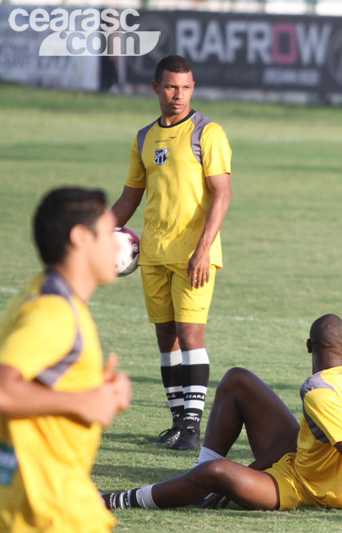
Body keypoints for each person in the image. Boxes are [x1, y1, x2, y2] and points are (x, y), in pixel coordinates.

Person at [102, 315, 342, 520]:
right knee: (237, 380)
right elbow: (298, 439)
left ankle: (122, 499)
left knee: (217, 472)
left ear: (308, 346)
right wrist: (249, 471)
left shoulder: (318, 392)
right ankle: (198, 479)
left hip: (307, 489)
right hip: (300, 465)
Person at [111, 55, 232, 449]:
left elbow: (222, 195)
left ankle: (193, 428)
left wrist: (203, 249)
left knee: (191, 334)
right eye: (170, 87)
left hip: (194, 255)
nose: (178, 95)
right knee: (166, 338)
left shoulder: (207, 132)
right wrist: (95, 232)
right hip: (153, 253)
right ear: (155, 88)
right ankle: (178, 422)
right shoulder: (144, 137)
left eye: (186, 87)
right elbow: (130, 196)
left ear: (192, 88)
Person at [0, 187, 131, 533]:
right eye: (107, 234)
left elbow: (35, 381)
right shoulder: (54, 313)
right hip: (53, 515)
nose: (117, 245)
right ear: (80, 238)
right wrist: (83, 400)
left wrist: (94, 390)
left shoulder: (41, 293)